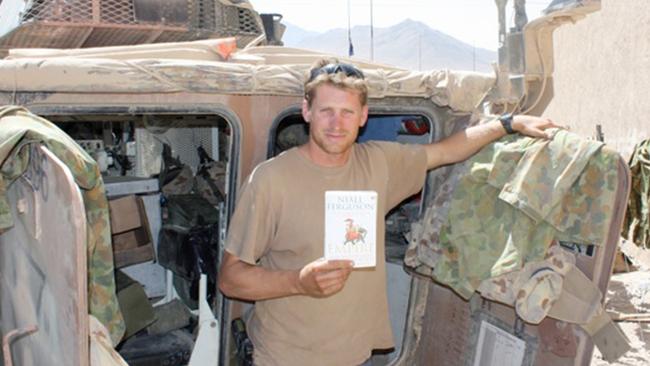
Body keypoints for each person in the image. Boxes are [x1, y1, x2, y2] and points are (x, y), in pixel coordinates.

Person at [218, 59, 559, 365]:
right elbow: (231, 278)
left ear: (363, 117)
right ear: (306, 111)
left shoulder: (378, 163)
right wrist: (298, 282)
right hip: (285, 357)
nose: (337, 123)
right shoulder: (271, 180)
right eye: (326, 111)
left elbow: (446, 151)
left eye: (348, 112)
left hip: (357, 355)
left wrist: (507, 124)